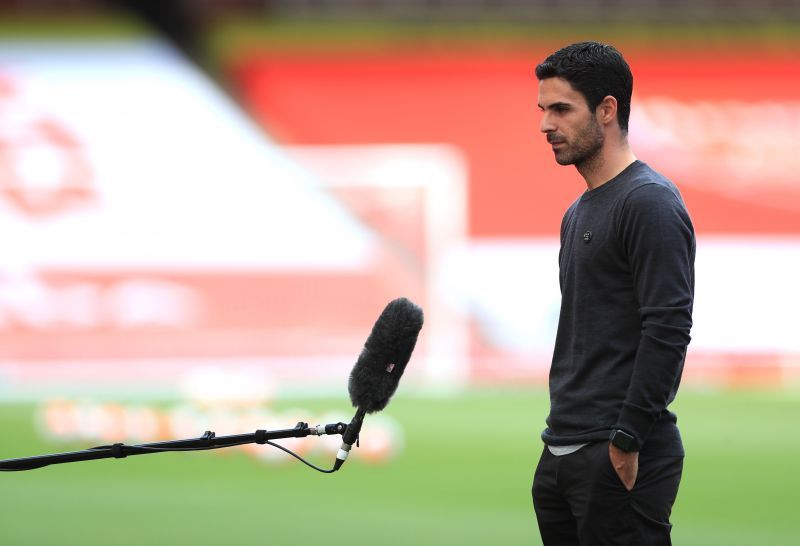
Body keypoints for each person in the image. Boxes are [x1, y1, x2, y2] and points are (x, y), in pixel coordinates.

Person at [531, 41, 695, 546]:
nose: (545, 124)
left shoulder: (649, 203)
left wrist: (626, 437)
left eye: (561, 109)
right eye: (542, 110)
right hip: (561, 449)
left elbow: (668, 329)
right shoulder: (578, 211)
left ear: (607, 110)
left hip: (618, 451)